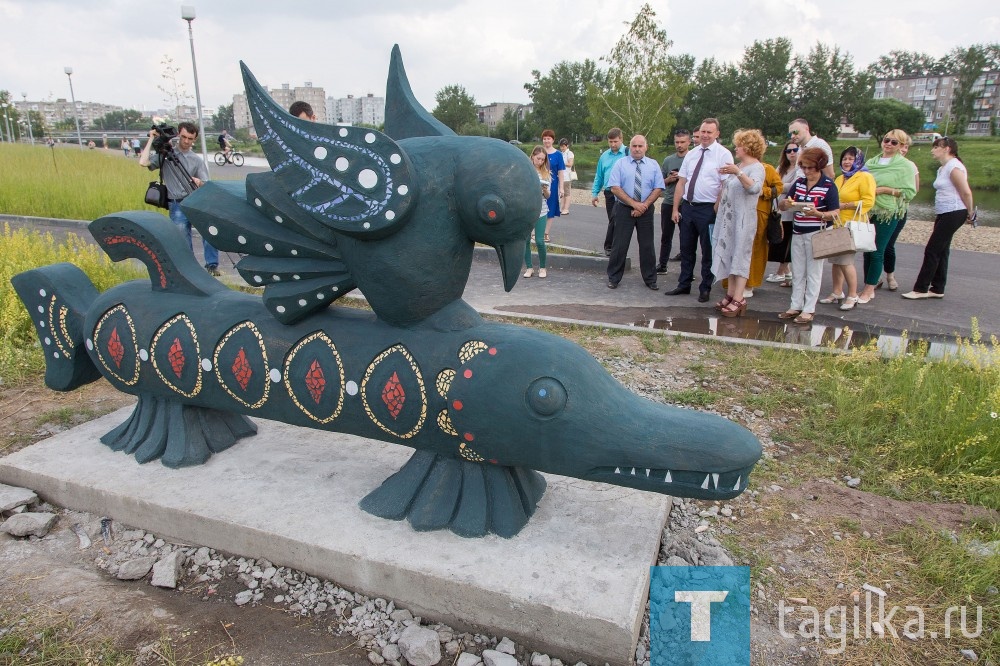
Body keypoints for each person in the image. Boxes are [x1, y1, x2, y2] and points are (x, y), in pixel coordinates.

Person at [139, 121, 220, 276]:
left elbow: (206, 182)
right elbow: (143, 162)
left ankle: (212, 266)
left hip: (195, 201)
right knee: (183, 239)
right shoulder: (165, 155)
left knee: (208, 232)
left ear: (194, 139)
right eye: (183, 137)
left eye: (190, 138)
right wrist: (151, 139)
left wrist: (199, 181)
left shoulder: (196, 160)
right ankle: (191, 270)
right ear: (178, 135)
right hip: (176, 204)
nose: (186, 141)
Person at [667, 118, 734, 302]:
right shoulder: (692, 154)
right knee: (686, 248)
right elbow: (682, 182)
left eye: (709, 132)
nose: (704, 135)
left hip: (708, 209)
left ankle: (705, 287)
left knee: (708, 250)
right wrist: (675, 208)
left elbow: (725, 185)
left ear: (717, 134)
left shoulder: (723, 155)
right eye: (703, 131)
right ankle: (684, 284)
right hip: (688, 207)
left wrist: (716, 207)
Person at [902, 137, 975, 300]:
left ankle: (920, 289)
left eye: (936, 147)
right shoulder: (943, 168)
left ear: (947, 149)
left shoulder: (954, 167)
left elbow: (966, 192)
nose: (932, 150)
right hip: (944, 212)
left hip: (955, 211)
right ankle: (938, 288)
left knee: (932, 249)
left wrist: (971, 213)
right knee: (942, 250)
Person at [777, 147, 840, 325]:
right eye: (803, 167)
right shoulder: (799, 183)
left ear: (819, 166)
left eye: (810, 168)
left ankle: (809, 309)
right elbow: (783, 206)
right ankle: (795, 305)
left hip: (817, 232)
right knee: (798, 271)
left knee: (813, 272)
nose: (806, 171)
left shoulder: (828, 185)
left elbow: (835, 212)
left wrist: (817, 213)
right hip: (798, 231)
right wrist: (786, 203)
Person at [711, 129, 765, 317]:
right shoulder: (739, 165)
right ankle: (731, 293)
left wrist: (738, 172)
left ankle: (739, 298)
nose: (736, 148)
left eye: (739, 145)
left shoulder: (756, 167)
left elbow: (755, 188)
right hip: (730, 220)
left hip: (744, 220)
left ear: (748, 147)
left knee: (741, 257)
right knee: (730, 254)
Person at [859, 129, 916, 304]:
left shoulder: (905, 165)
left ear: (901, 146)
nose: (889, 144)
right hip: (869, 210)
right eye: (886, 140)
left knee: (877, 249)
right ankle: (871, 282)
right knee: (867, 249)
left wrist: (885, 190)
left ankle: (869, 290)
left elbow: (910, 192)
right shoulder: (871, 162)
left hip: (888, 212)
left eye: (894, 142)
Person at [606, 135, 665, 290]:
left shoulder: (653, 165)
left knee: (647, 246)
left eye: (640, 146)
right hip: (624, 209)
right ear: (629, 147)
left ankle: (650, 279)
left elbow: (658, 188)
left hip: (646, 210)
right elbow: (614, 188)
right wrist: (634, 205)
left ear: (646, 147)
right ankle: (614, 278)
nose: (637, 149)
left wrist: (643, 206)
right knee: (619, 245)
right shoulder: (620, 164)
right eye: (634, 146)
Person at [822, 147, 875, 311]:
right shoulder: (840, 178)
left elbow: (868, 201)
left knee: (846, 261)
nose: (846, 162)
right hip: (837, 223)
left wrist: (844, 205)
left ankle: (852, 294)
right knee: (836, 261)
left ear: (858, 160)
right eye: (844, 158)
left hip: (851, 224)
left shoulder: (864, 177)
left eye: (851, 159)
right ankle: (837, 291)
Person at [881, 137, 920, 291]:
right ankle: (875, 277)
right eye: (901, 146)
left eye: (905, 147)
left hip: (897, 210)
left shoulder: (909, 166)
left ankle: (890, 275)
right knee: (873, 245)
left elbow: (914, 190)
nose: (903, 150)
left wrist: (888, 190)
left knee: (888, 244)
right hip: (877, 209)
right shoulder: (879, 163)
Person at [746, 150, 783, 296]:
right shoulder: (739, 167)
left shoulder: (767, 169)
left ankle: (751, 284)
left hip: (760, 213)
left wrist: (764, 192)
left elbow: (779, 188)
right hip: (740, 214)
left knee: (756, 249)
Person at [656, 129, 691, 275]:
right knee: (666, 236)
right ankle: (662, 265)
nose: (679, 145)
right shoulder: (668, 160)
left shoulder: (693, 158)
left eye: (682, 142)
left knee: (687, 238)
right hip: (669, 202)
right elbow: (659, 183)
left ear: (689, 142)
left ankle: (686, 270)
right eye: (677, 142)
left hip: (686, 203)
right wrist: (669, 179)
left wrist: (683, 177)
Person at [766, 141, 800, 286]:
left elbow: (795, 186)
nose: (791, 153)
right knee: (778, 241)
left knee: (785, 243)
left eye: (795, 150)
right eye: (788, 150)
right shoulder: (781, 168)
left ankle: (782, 271)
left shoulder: (800, 168)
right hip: (777, 209)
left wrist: (778, 187)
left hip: (790, 211)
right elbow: (772, 181)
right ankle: (787, 273)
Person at [590, 128, 627, 256]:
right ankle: (611, 247)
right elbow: (599, 176)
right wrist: (595, 193)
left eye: (615, 141)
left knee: (621, 220)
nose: (613, 144)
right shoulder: (604, 156)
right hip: (610, 192)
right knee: (613, 219)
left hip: (625, 192)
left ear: (621, 140)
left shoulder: (628, 153)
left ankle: (613, 246)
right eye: (610, 141)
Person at [523, 146, 551, 279]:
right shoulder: (525, 170)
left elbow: (548, 196)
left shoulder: (546, 173)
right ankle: (529, 267)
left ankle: (543, 267)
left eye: (542, 160)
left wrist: (545, 189)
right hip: (527, 209)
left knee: (540, 241)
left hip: (541, 209)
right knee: (525, 240)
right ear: (533, 156)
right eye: (538, 158)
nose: (540, 161)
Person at [540, 129, 565, 243]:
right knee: (539, 208)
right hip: (540, 183)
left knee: (550, 208)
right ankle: (535, 232)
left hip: (553, 185)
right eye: (544, 139)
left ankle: (546, 233)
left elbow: (560, 172)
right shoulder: (540, 152)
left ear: (553, 140)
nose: (546, 141)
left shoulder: (558, 154)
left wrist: (561, 188)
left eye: (548, 138)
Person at [558, 138, 575, 215]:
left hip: (567, 177)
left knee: (567, 194)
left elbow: (570, 164)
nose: (562, 148)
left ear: (567, 146)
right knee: (562, 193)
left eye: (563, 146)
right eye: (561, 146)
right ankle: (561, 208)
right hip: (561, 176)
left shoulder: (570, 153)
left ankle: (566, 209)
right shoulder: (561, 153)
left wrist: (562, 163)